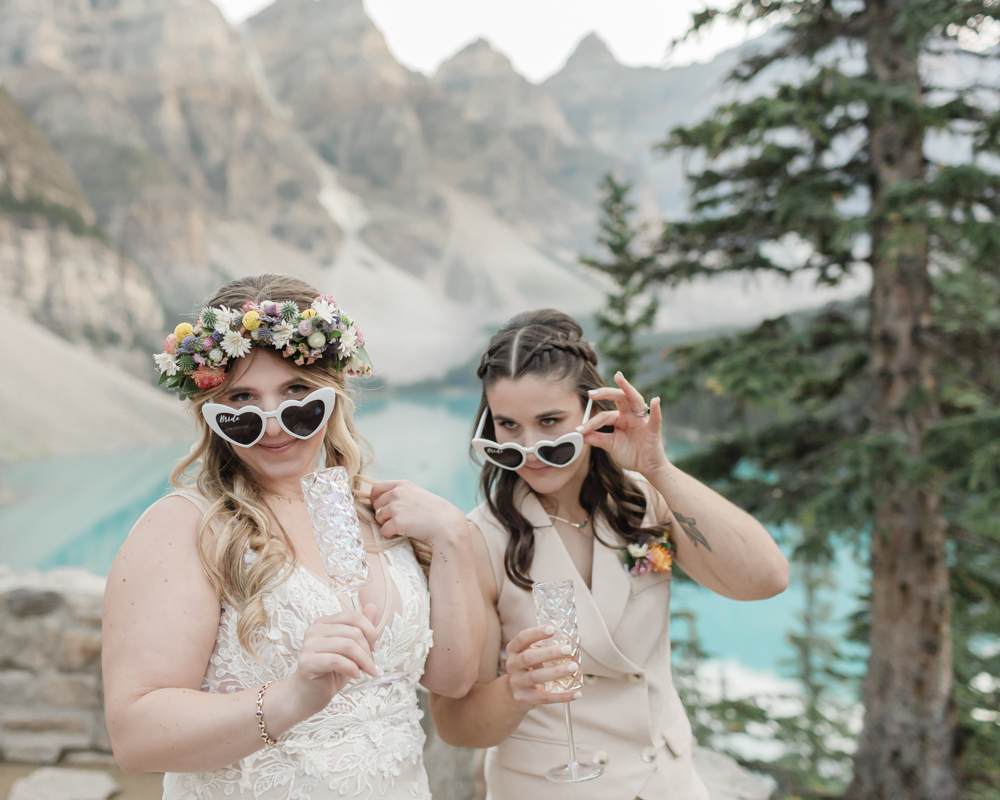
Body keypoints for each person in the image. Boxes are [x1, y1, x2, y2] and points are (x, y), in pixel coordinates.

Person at [102, 274, 484, 800]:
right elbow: (135, 737)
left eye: (296, 393)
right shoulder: (186, 526)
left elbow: (450, 681)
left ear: (333, 393)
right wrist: (291, 699)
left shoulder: (382, 511)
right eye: (243, 399)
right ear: (212, 414)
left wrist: (454, 540)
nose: (273, 422)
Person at [428, 309, 789, 799]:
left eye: (550, 421)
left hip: (668, 784)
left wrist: (658, 467)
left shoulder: (645, 502)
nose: (530, 448)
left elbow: (765, 579)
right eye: (508, 426)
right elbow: (455, 725)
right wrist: (515, 690)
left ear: (592, 411)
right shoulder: (476, 540)